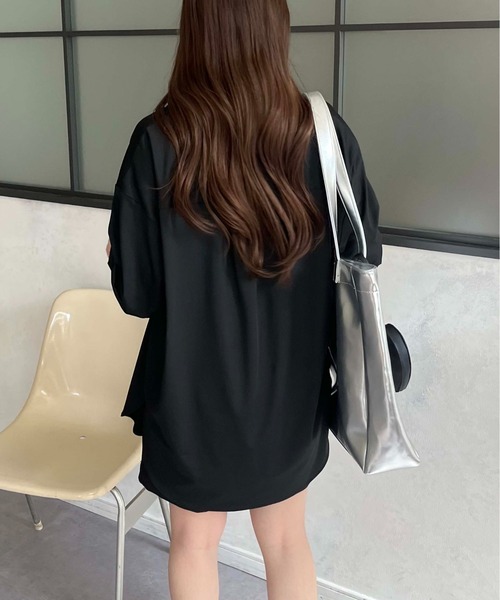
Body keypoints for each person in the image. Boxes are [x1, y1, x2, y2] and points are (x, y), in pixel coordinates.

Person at [105, 1, 383, 598]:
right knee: (285, 543)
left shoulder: (158, 139)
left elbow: (137, 296)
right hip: (291, 393)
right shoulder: (323, 133)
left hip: (188, 397)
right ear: (275, 28)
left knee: (193, 545)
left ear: (196, 31)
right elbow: (363, 258)